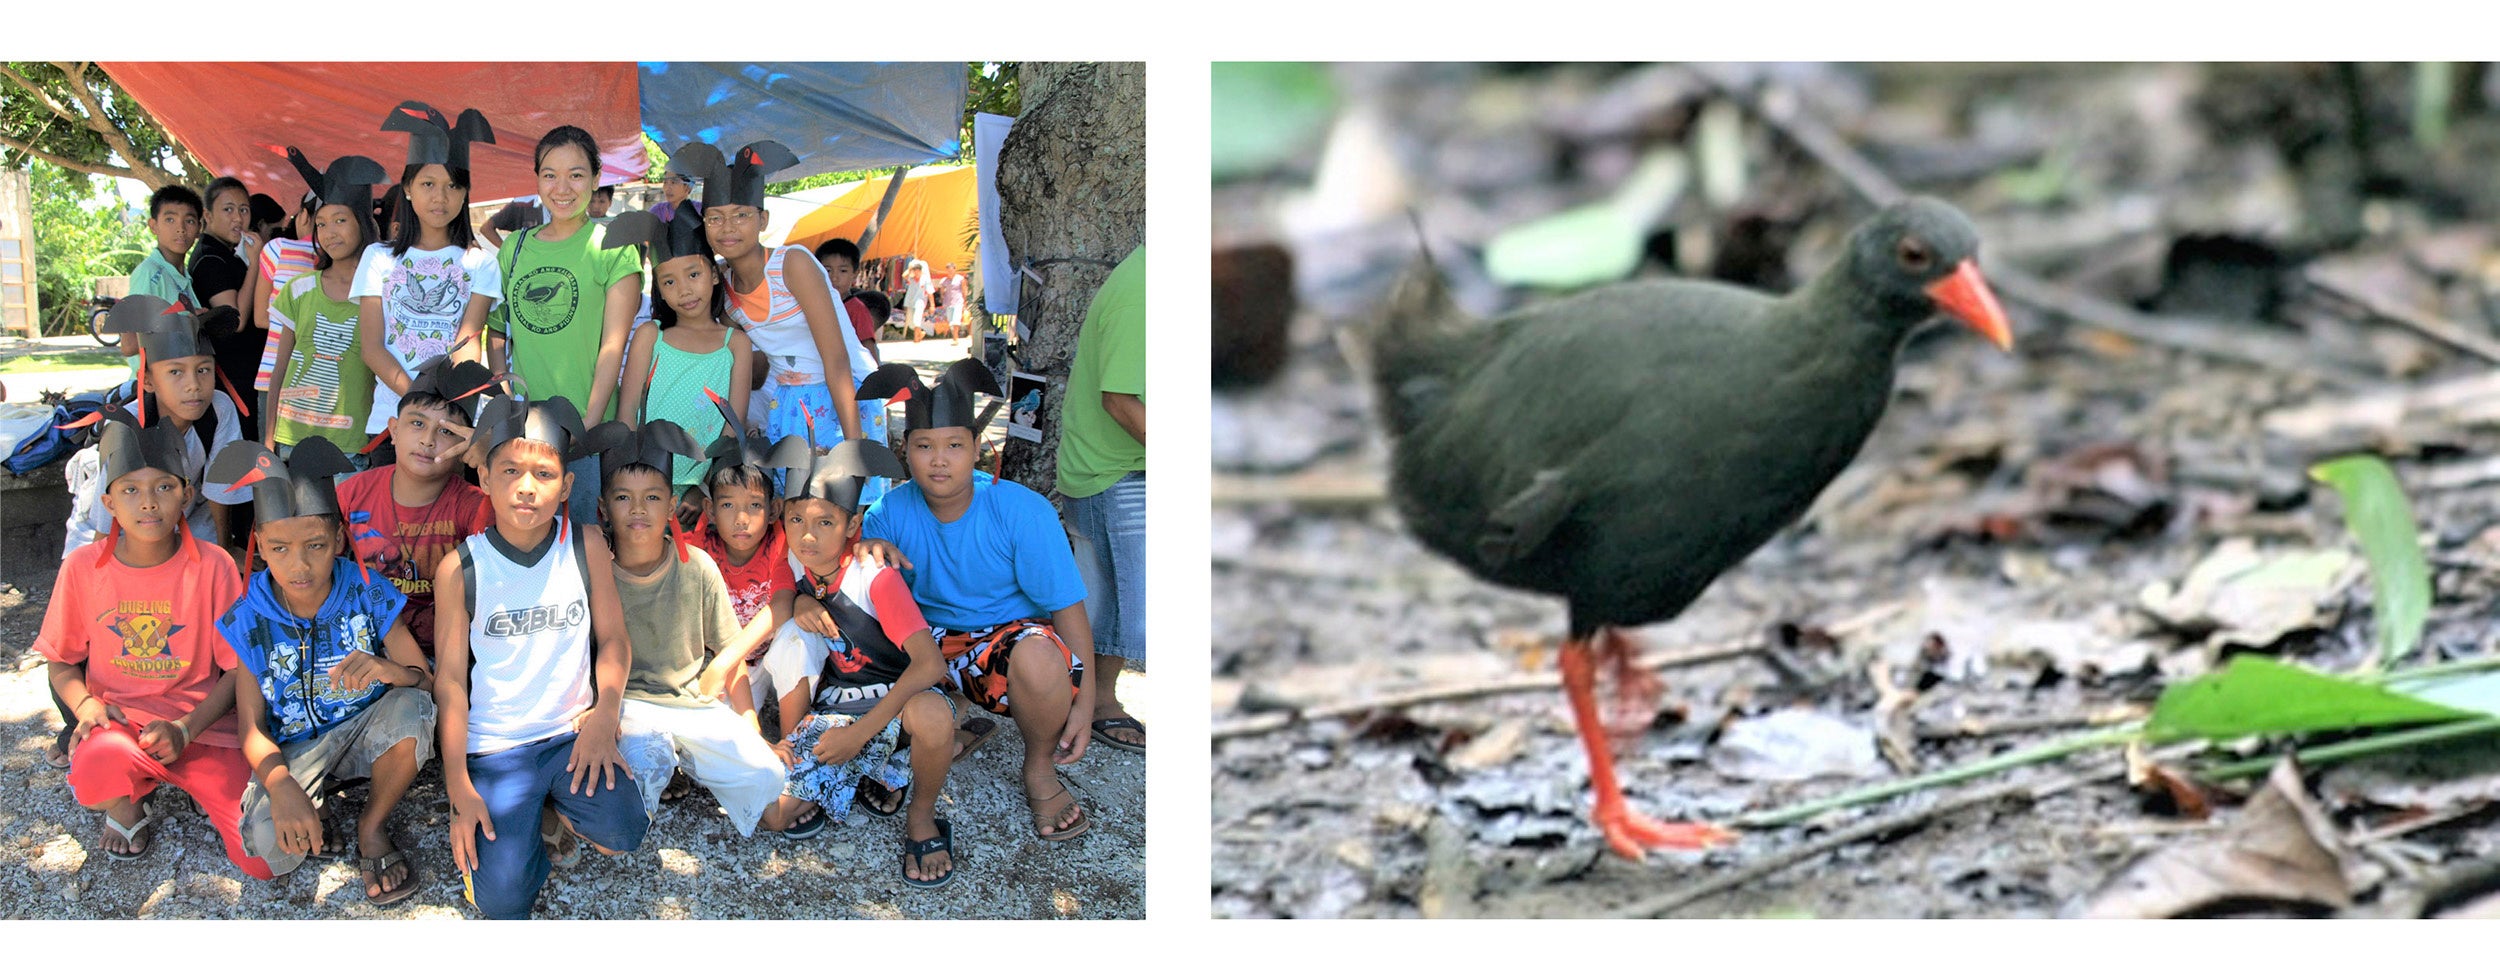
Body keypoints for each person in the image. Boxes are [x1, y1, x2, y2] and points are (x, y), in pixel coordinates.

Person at [843, 360, 1100, 842]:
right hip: (924, 644)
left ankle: (1039, 767)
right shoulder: (887, 513)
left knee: (1044, 660)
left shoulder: (1023, 510)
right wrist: (866, 553)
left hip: (1002, 637)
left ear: (977, 448)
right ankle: (950, 720)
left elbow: (1067, 607)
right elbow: (873, 603)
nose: (939, 460)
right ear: (905, 451)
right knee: (866, 691)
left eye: (954, 445)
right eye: (924, 446)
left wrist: (1084, 702)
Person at [434, 394, 646, 919]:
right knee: (503, 906)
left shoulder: (586, 544)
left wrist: (605, 716)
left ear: (567, 485)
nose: (526, 487)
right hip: (496, 749)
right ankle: (525, 831)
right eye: (510, 470)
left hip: (569, 737)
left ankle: (546, 811)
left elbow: (615, 639)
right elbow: (452, 682)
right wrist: (458, 786)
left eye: (544, 474)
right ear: (484, 478)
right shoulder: (461, 569)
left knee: (625, 834)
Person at [37, 408, 271, 877]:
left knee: (265, 860)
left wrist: (186, 728)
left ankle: (197, 784)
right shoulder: (83, 569)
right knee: (92, 772)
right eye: (131, 490)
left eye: (164, 487)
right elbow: (61, 661)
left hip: (203, 730)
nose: (148, 503)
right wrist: (85, 706)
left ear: (186, 494)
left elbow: (238, 668)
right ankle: (129, 803)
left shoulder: (215, 566)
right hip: (123, 728)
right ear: (108, 502)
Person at [210, 438, 436, 905]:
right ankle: (316, 801)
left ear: (338, 540)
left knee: (414, 711)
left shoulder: (368, 592)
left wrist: (388, 670)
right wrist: (280, 785)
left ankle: (370, 826)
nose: (299, 565)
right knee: (267, 854)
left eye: (315, 545)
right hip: (295, 749)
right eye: (280, 548)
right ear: (260, 546)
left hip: (364, 731)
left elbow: (424, 679)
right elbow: (250, 725)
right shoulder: (247, 616)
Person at [753, 438, 960, 885]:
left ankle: (922, 815)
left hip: (896, 705)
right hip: (838, 709)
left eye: (825, 522)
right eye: (796, 520)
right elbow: (787, 591)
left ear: (853, 526)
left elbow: (929, 665)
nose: (808, 535)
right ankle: (883, 765)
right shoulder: (794, 562)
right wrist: (803, 603)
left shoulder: (875, 577)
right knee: (773, 815)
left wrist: (861, 734)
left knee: (931, 713)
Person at [581, 421, 787, 835]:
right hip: (628, 707)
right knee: (643, 768)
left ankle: (688, 759)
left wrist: (752, 730)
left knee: (768, 781)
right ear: (603, 508)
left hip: (692, 703)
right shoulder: (593, 571)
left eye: (652, 498)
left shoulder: (698, 567)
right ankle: (664, 765)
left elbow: (734, 658)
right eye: (623, 498)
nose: (638, 509)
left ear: (672, 506)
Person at [668, 141, 873, 461]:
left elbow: (837, 360)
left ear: (763, 220)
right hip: (789, 401)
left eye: (741, 215)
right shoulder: (723, 285)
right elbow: (733, 363)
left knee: (841, 500)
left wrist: (854, 450)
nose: (728, 228)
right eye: (715, 218)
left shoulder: (792, 265)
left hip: (847, 395)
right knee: (792, 505)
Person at [489, 125, 644, 523]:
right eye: (549, 174)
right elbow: (496, 330)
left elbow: (613, 346)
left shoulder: (613, 247)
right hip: (523, 435)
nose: (562, 187)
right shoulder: (514, 246)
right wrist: (507, 402)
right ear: (537, 179)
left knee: (581, 548)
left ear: (595, 179)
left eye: (576, 174)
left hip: (584, 440)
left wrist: (586, 428)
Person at [358, 101, 502, 452]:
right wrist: (418, 404)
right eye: (428, 183)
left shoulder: (481, 264)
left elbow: (469, 344)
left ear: (466, 192)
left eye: (453, 186)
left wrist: (446, 413)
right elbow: (371, 347)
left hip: (451, 427)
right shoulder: (378, 258)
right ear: (407, 187)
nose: (440, 197)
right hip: (389, 424)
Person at [61, 298, 250, 563]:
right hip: (116, 515)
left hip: (182, 507)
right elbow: (107, 523)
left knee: (202, 564)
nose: (193, 384)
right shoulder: (126, 425)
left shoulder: (219, 408)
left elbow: (219, 486)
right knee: (100, 569)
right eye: (176, 372)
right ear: (148, 380)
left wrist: (224, 551)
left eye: (203, 370)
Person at [336, 357, 497, 664]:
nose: (428, 440)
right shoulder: (352, 494)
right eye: (417, 423)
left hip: (447, 656)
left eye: (447, 431)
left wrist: (490, 458)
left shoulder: (473, 504)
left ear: (466, 443)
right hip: (359, 652)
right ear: (393, 430)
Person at [1057, 245, 1146, 753]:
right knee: (1124, 604)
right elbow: (1119, 398)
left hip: (1121, 468)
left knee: (1104, 595)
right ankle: (1094, 703)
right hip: (1115, 471)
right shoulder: (1143, 289)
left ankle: (1083, 699)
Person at [612, 206, 752, 496]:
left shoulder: (735, 344)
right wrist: (632, 482)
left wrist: (704, 487)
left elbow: (733, 427)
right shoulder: (651, 336)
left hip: (701, 493)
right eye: (669, 282)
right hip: (645, 484)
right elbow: (626, 414)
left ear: (714, 275)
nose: (684, 290)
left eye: (693, 274)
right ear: (660, 290)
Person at [265, 151, 387, 455]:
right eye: (321, 224)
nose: (329, 232)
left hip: (352, 443)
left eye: (340, 220)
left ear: (363, 221)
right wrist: (269, 438)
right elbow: (279, 370)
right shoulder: (299, 290)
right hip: (294, 439)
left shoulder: (382, 293)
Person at [189, 176, 267, 440]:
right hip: (233, 378)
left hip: (246, 374)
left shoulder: (227, 253)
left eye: (243, 210)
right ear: (207, 216)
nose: (238, 218)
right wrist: (256, 263)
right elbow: (236, 320)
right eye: (228, 209)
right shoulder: (209, 259)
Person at [122, 185, 204, 373]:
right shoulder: (149, 273)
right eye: (170, 219)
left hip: (179, 385)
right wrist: (186, 321)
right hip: (152, 388)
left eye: (189, 221)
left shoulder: (183, 276)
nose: (181, 229)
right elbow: (129, 344)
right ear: (153, 226)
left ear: (199, 228)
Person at [250, 183, 323, 394]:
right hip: (323, 381)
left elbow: (261, 318)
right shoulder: (348, 263)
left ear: (304, 216)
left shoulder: (279, 249)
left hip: (274, 377)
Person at [811, 238, 881, 365]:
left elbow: (868, 348)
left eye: (843, 271)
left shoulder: (857, 309)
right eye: (827, 270)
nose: (834, 277)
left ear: (855, 274)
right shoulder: (812, 304)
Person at [900, 257, 931, 341]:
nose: (916, 272)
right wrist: (910, 268)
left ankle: (916, 338)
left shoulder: (925, 279)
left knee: (917, 319)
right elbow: (904, 275)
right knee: (911, 321)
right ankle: (920, 333)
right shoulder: (912, 279)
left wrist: (932, 305)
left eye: (918, 270)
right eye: (915, 270)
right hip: (911, 301)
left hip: (920, 301)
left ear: (921, 271)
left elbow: (930, 292)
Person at [937, 262, 967, 340]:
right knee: (950, 320)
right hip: (948, 302)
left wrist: (965, 302)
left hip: (958, 301)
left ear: (954, 270)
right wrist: (942, 296)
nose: (949, 272)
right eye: (948, 271)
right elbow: (942, 291)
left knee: (956, 320)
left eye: (951, 270)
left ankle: (955, 338)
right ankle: (954, 335)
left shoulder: (960, 279)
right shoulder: (944, 280)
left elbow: (964, 291)